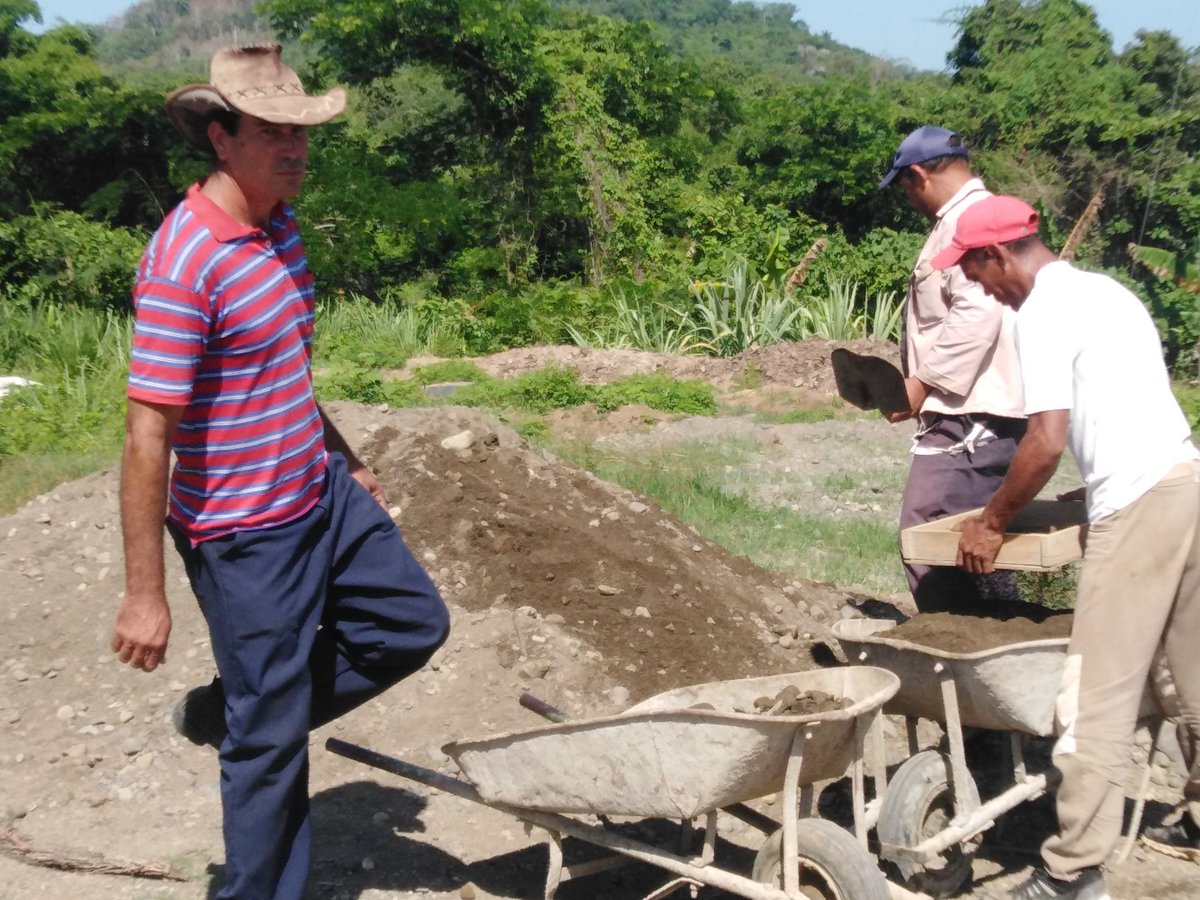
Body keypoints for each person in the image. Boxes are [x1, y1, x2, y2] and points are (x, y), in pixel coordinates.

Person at [110, 45, 451, 900]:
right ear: (222, 139)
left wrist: (346, 458)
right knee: (271, 755)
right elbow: (148, 431)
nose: (295, 151)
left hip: (319, 493)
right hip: (243, 534)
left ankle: (237, 713)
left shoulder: (280, 229)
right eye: (273, 134)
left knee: (412, 624)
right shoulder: (186, 259)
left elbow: (283, 374)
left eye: (302, 136)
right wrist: (144, 592)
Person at [936, 195, 1200, 899]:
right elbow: (1132, 401)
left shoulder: (1043, 314)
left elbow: (1045, 440)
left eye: (974, 270)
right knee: (1193, 674)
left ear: (998, 255)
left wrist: (991, 522)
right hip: (1185, 482)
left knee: (1097, 697)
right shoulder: (1108, 292)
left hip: (1140, 505)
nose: (979, 287)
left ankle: (1073, 873)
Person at [879, 126, 1028, 615]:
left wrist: (923, 383)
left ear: (918, 175)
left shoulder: (969, 221)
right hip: (972, 408)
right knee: (969, 540)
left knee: (929, 535)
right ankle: (999, 642)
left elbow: (976, 313)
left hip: (973, 413)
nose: (908, 198)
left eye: (904, 186)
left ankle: (960, 648)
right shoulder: (970, 216)